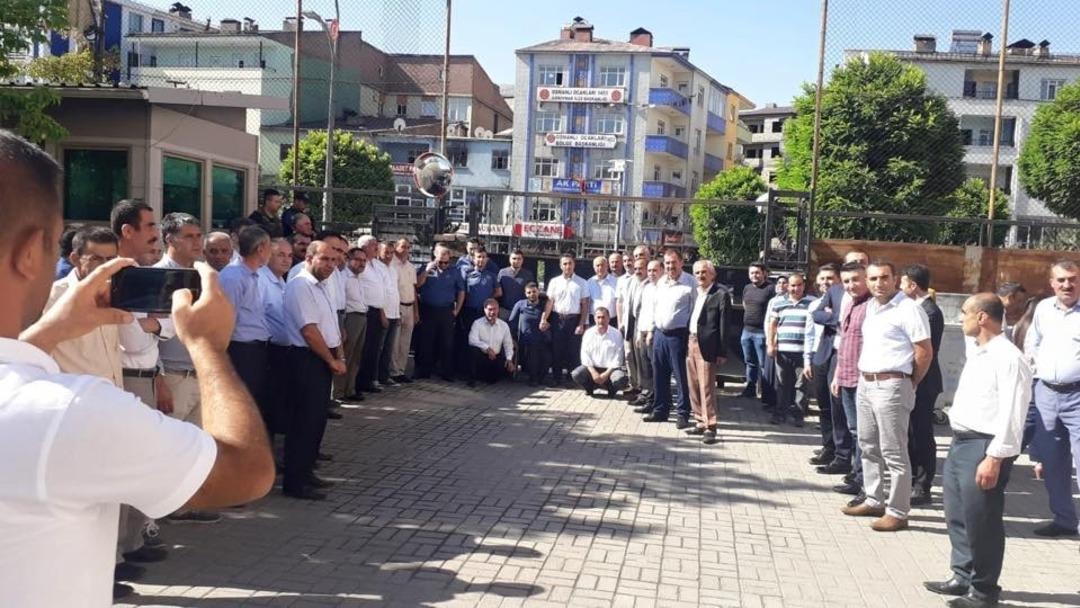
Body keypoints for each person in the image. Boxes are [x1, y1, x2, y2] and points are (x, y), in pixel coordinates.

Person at [0, 129, 273, 607]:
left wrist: (47, 333)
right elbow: (246, 472)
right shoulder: (64, 413)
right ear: (30, 252)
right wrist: (209, 346)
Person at [923, 294, 1032, 608]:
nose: (962, 318)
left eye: (966, 312)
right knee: (958, 514)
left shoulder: (1009, 358)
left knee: (982, 520)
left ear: (983, 317)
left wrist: (995, 457)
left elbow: (1013, 413)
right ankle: (962, 575)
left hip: (985, 446)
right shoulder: (980, 350)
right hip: (961, 442)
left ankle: (984, 591)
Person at [842, 261, 931, 532]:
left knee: (894, 451)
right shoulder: (871, 307)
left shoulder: (909, 309)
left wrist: (909, 382)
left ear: (895, 279)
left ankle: (898, 511)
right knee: (868, 445)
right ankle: (874, 498)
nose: (878, 283)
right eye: (873, 278)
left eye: (884, 278)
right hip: (866, 383)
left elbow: (924, 351)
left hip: (892, 384)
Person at [282, 240, 345, 500]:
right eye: (325, 259)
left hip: (322, 357)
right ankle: (295, 482)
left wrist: (337, 352)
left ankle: (306, 473)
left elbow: (328, 324)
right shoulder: (301, 285)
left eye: (333, 260)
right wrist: (330, 360)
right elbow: (309, 330)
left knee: (316, 420)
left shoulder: (321, 286)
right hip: (306, 358)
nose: (331, 265)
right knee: (303, 422)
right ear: (309, 258)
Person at [1025, 260, 1080, 538]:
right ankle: (1064, 520)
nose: (1067, 285)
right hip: (1046, 393)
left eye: (1072, 279)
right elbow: (1032, 343)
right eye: (1061, 280)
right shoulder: (1044, 309)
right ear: (1052, 283)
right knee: (1052, 462)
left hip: (1078, 395)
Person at [45, 227, 124, 387]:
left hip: (112, 396)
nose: (105, 266)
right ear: (75, 258)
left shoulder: (114, 294)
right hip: (74, 399)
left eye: (111, 259)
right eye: (96, 259)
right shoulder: (53, 296)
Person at [812, 251, 868, 474]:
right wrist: (838, 319)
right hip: (831, 353)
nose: (850, 284)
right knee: (831, 407)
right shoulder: (836, 291)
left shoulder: (869, 299)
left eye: (861, 265)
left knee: (851, 416)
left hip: (856, 360)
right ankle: (839, 454)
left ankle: (854, 465)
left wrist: (837, 319)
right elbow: (816, 314)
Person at [218, 226, 272, 432]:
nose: (270, 253)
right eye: (269, 248)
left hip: (256, 349)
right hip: (241, 350)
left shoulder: (253, 275)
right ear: (260, 248)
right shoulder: (233, 277)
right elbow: (226, 319)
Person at [900, 263, 944, 506]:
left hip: (924, 381)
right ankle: (912, 480)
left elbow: (924, 351)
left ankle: (922, 485)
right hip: (913, 378)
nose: (899, 287)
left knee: (921, 433)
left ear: (912, 285)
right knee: (910, 432)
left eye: (902, 283)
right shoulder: (915, 309)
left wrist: (914, 379)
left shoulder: (930, 312)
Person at [828, 262, 872, 498]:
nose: (851, 285)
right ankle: (857, 478)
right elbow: (845, 343)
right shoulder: (851, 305)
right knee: (855, 432)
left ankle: (867, 485)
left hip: (863, 380)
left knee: (864, 435)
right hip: (845, 376)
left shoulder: (872, 307)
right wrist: (837, 375)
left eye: (856, 279)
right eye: (846, 281)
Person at [645, 249, 696, 427]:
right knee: (659, 373)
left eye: (673, 263)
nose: (670, 266)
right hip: (660, 333)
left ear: (681, 262)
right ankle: (660, 410)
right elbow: (655, 308)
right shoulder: (661, 282)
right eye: (667, 263)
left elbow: (695, 311)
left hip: (678, 335)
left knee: (681, 376)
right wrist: (651, 331)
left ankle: (683, 413)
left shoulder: (691, 283)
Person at [686, 260, 730, 445]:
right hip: (690, 341)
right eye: (697, 273)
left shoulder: (720, 294)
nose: (700, 276)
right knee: (693, 385)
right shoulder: (695, 292)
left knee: (706, 387)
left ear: (712, 274)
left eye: (704, 272)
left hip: (708, 345)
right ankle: (699, 421)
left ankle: (710, 426)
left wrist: (721, 351)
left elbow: (724, 325)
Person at [767, 272, 814, 426]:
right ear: (787, 286)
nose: (796, 288)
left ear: (804, 285)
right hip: (783, 350)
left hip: (803, 351)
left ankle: (799, 415)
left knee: (801, 385)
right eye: (793, 285)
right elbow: (772, 325)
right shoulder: (778, 303)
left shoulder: (812, 303)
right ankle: (780, 413)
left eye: (799, 285)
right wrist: (770, 344)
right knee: (782, 383)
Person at [805, 264, 841, 465]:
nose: (826, 282)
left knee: (837, 406)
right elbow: (809, 333)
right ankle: (828, 446)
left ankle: (840, 449)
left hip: (836, 357)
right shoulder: (814, 304)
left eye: (830, 278)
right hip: (818, 358)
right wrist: (807, 360)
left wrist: (830, 316)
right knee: (823, 406)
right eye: (822, 279)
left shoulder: (842, 300)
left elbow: (836, 321)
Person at [258, 237, 294, 435]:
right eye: (281, 255)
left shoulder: (282, 280)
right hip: (267, 353)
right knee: (268, 408)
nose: (286, 260)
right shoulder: (261, 280)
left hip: (283, 352)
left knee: (279, 407)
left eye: (289, 256)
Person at [415, 244, 465, 381]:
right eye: (440, 261)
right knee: (426, 342)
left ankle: (446, 373)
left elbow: (461, 291)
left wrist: (457, 310)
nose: (443, 264)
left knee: (447, 343)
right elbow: (417, 286)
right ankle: (423, 372)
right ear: (434, 256)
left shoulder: (455, 271)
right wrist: (426, 271)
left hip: (446, 310)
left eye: (446, 261)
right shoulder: (425, 268)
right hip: (428, 309)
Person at [541, 254, 590, 385]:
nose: (567, 266)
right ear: (560, 265)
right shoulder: (554, 282)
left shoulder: (582, 282)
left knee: (573, 350)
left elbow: (585, 305)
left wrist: (581, 324)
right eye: (565, 264)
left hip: (574, 319)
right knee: (557, 350)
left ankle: (572, 379)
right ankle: (556, 378)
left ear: (574, 264)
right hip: (558, 319)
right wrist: (544, 319)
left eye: (570, 263)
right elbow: (550, 302)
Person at [459, 246, 501, 382]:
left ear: (487, 259)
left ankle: (484, 374)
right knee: (470, 343)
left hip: (485, 314)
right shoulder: (467, 275)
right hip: (470, 312)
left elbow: (499, 292)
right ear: (473, 258)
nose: (481, 260)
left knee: (486, 341)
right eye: (478, 257)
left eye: (483, 257)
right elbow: (462, 293)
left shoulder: (492, 276)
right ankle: (469, 374)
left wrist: (488, 301)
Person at [356, 236, 389, 393]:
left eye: (377, 244)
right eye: (373, 245)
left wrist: (382, 312)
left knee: (374, 348)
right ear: (363, 247)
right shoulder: (360, 266)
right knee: (363, 348)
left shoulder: (377, 265)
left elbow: (380, 291)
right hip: (365, 310)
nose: (377, 247)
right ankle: (358, 383)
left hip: (377, 310)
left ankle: (368, 380)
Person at [572, 306, 628, 397]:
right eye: (598, 317)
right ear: (594, 318)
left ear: (609, 318)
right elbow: (585, 355)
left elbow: (618, 357)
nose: (601, 320)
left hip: (610, 370)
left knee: (621, 378)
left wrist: (606, 374)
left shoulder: (617, 334)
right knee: (576, 374)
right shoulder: (588, 333)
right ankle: (590, 388)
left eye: (603, 317)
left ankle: (611, 390)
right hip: (592, 369)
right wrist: (594, 372)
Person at [632, 259, 663, 415]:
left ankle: (656, 401)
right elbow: (643, 313)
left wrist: (650, 331)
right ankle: (649, 399)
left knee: (654, 369)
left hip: (654, 333)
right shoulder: (647, 288)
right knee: (646, 370)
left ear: (661, 271)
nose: (651, 273)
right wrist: (639, 333)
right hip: (642, 332)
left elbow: (657, 314)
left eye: (654, 270)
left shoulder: (663, 288)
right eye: (649, 271)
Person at [740, 262, 774, 400]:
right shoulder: (747, 288)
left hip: (762, 333)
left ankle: (767, 394)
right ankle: (750, 390)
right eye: (752, 273)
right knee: (750, 362)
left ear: (764, 273)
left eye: (757, 272)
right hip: (746, 331)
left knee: (764, 365)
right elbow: (745, 304)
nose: (754, 275)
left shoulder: (770, 289)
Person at [621, 248, 650, 400]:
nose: (638, 270)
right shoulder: (630, 281)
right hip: (630, 323)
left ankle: (645, 390)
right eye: (636, 268)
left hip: (643, 326)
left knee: (643, 359)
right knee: (631, 356)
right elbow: (625, 304)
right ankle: (637, 387)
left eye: (641, 268)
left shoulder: (651, 284)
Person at [509, 282, 550, 386]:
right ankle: (533, 378)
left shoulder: (544, 306)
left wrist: (547, 325)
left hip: (542, 338)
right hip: (525, 339)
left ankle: (540, 378)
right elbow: (512, 321)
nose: (532, 294)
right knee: (533, 352)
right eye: (529, 292)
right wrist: (512, 338)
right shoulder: (520, 304)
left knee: (546, 356)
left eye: (534, 291)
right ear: (525, 294)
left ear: (538, 292)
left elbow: (549, 322)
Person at [388, 239, 418, 384]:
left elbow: (414, 289)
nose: (405, 249)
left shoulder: (411, 267)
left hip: (410, 306)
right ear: (395, 247)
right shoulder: (391, 265)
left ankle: (401, 370)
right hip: (397, 306)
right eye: (403, 246)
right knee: (395, 341)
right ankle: (393, 371)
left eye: (408, 247)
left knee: (405, 342)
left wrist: (416, 311)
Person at [341, 247, 369, 401]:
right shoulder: (343, 277)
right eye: (358, 259)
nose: (362, 263)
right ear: (349, 259)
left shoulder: (359, 278)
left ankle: (349, 389)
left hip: (362, 317)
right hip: (350, 318)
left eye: (364, 260)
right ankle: (338, 392)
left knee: (356, 357)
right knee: (346, 356)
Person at [467, 298, 515, 386]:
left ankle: (486, 376)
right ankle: (472, 379)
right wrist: (487, 348)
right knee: (472, 350)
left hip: (495, 358)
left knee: (492, 380)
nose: (492, 312)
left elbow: (508, 344)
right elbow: (472, 340)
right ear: (484, 310)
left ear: (498, 310)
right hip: (481, 357)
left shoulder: (504, 325)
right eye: (490, 309)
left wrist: (509, 359)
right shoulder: (477, 323)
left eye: (495, 309)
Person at [497, 249, 534, 322]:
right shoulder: (502, 273)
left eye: (519, 259)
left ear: (522, 260)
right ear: (509, 259)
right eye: (514, 258)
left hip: (521, 311)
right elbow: (497, 290)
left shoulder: (528, 275)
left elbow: (532, 293)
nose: (516, 261)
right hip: (504, 310)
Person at [588, 255, 618, 327]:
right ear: (594, 267)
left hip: (612, 321)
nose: (600, 268)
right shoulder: (589, 282)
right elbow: (587, 303)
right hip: (594, 321)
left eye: (602, 265)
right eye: (597, 265)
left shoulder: (616, 282)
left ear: (607, 266)